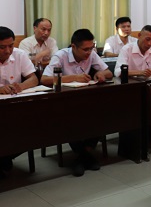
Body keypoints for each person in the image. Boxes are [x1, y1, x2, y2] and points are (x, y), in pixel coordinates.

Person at [42, 29, 113, 176]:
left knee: (103, 114)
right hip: (64, 102)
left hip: (86, 99)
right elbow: (45, 79)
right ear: (73, 46)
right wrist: (74, 77)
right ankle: (85, 156)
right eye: (85, 49)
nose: (89, 52)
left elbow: (109, 72)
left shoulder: (91, 53)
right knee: (70, 119)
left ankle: (82, 156)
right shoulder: (60, 56)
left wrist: (100, 73)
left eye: (91, 48)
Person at [0, 26, 39, 177]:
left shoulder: (19, 54)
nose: (8, 51)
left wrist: (21, 86)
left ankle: (4, 158)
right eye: (2, 47)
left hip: (15, 107)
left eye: (11, 46)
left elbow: (34, 79)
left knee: (31, 130)